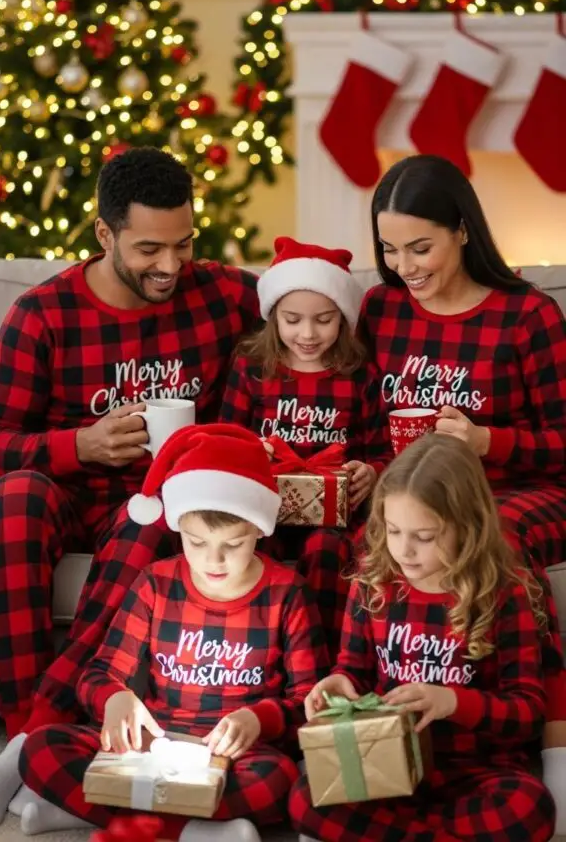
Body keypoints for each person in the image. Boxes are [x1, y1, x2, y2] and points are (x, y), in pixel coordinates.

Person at [0, 148, 259, 759]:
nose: (171, 265)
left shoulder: (221, 294)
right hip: (66, 490)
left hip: (158, 499)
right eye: (149, 250)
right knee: (13, 500)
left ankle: (39, 734)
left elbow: (312, 311)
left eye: (183, 244)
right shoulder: (43, 315)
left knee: (159, 510)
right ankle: (24, 723)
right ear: (105, 233)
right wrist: (77, 444)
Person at [357, 153, 566, 829]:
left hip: (520, 490)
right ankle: (360, 729)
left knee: (490, 539)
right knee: (345, 540)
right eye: (390, 250)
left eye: (421, 247)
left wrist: (487, 443)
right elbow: (363, 418)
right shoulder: (382, 309)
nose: (405, 266)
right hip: (410, 497)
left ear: (463, 232)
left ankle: (553, 744)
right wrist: (363, 471)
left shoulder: (526, 316)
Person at [13, 425, 328, 842]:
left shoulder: (287, 592)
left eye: (232, 545)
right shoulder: (155, 583)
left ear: (259, 530)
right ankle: (188, 831)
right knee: (41, 750)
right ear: (178, 526)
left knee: (280, 782)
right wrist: (115, 697)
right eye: (196, 542)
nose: (213, 561)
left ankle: (91, 813)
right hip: (156, 742)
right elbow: (98, 673)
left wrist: (259, 718)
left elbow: (309, 698)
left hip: (235, 754)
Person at [290, 434, 556, 842]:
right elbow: (353, 670)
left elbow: (527, 712)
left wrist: (451, 701)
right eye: (393, 531)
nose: (404, 551)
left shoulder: (504, 592)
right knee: (305, 800)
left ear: (468, 527)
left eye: (425, 537)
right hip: (385, 762)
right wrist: (339, 686)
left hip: (476, 769)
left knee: (529, 808)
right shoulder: (372, 584)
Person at [219, 236, 387, 658]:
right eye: (293, 320)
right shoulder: (252, 369)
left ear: (344, 319)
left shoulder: (358, 375)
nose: (308, 334)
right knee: (246, 547)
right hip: (264, 510)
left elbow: (381, 450)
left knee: (328, 552)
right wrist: (249, 453)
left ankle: (326, 662)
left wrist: (371, 472)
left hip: (333, 517)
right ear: (273, 315)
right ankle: (255, 657)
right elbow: (224, 442)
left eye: (324, 320)